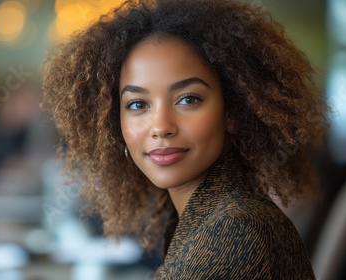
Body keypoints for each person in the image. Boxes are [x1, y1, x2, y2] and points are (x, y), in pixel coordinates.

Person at [41, 0, 328, 278]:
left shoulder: (235, 233)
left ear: (233, 111)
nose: (161, 127)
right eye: (138, 105)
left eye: (188, 99)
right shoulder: (203, 215)